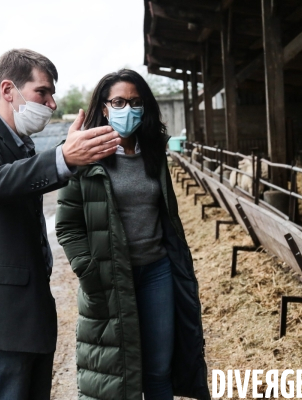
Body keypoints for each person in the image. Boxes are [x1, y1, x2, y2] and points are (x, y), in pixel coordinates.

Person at [0, 48, 121, 400]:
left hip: (29, 315)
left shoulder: (20, 144)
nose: (52, 103)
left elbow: (26, 173)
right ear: (9, 90)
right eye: (43, 92)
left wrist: (74, 149)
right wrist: (64, 157)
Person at [55, 69, 210, 400]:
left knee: (158, 369)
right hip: (109, 276)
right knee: (116, 376)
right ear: (105, 107)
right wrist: (89, 270)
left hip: (157, 270)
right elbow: (67, 225)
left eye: (136, 102)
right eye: (120, 101)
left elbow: (164, 213)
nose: (129, 109)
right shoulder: (85, 155)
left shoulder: (154, 152)